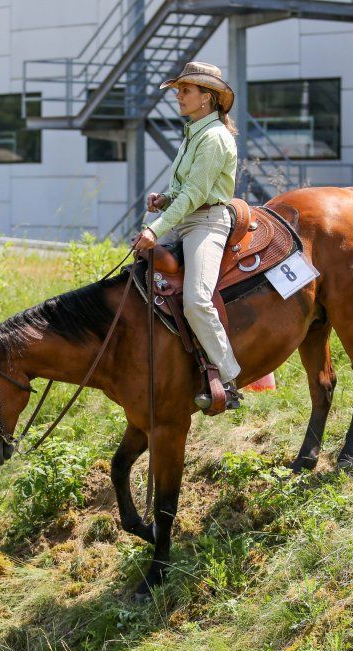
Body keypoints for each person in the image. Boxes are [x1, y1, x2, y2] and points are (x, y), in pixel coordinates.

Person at [131, 61, 244, 410]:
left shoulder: (212, 137)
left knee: (196, 301)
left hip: (207, 223)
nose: (178, 96)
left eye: (186, 91)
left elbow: (196, 196)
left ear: (207, 98)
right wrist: (164, 199)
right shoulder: (193, 132)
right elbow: (184, 191)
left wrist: (155, 228)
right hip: (187, 220)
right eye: (179, 90)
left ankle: (229, 378)